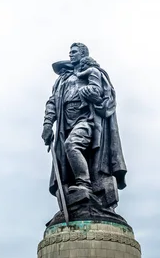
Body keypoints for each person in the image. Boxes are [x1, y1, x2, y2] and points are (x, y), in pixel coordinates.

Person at [41, 43, 127, 210]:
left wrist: (94, 97)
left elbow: (106, 96)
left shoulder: (94, 73)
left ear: (83, 54)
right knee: (67, 154)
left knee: (72, 145)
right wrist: (47, 123)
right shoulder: (62, 79)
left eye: (74, 52)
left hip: (87, 119)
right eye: (70, 52)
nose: (70, 54)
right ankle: (78, 192)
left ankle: (84, 184)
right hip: (65, 123)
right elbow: (52, 102)